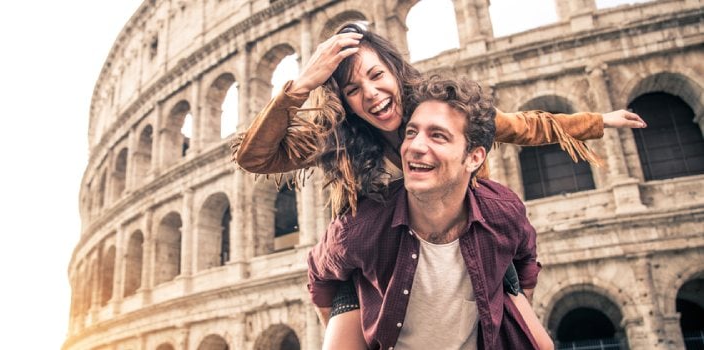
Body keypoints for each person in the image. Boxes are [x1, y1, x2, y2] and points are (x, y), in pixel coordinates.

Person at [233, 22, 645, 349]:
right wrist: (302, 85)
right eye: (354, 90)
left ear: (394, 69)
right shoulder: (339, 135)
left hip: (468, 243)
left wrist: (599, 121)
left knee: (538, 342)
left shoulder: (440, 112)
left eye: (377, 76)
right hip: (377, 264)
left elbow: (525, 125)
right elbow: (255, 157)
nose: (372, 95)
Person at [308, 75, 546, 349]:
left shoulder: (503, 210)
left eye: (438, 136)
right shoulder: (360, 227)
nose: (415, 147)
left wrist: (518, 307)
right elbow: (319, 275)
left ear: (474, 157)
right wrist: (339, 327)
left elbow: (526, 258)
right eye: (411, 132)